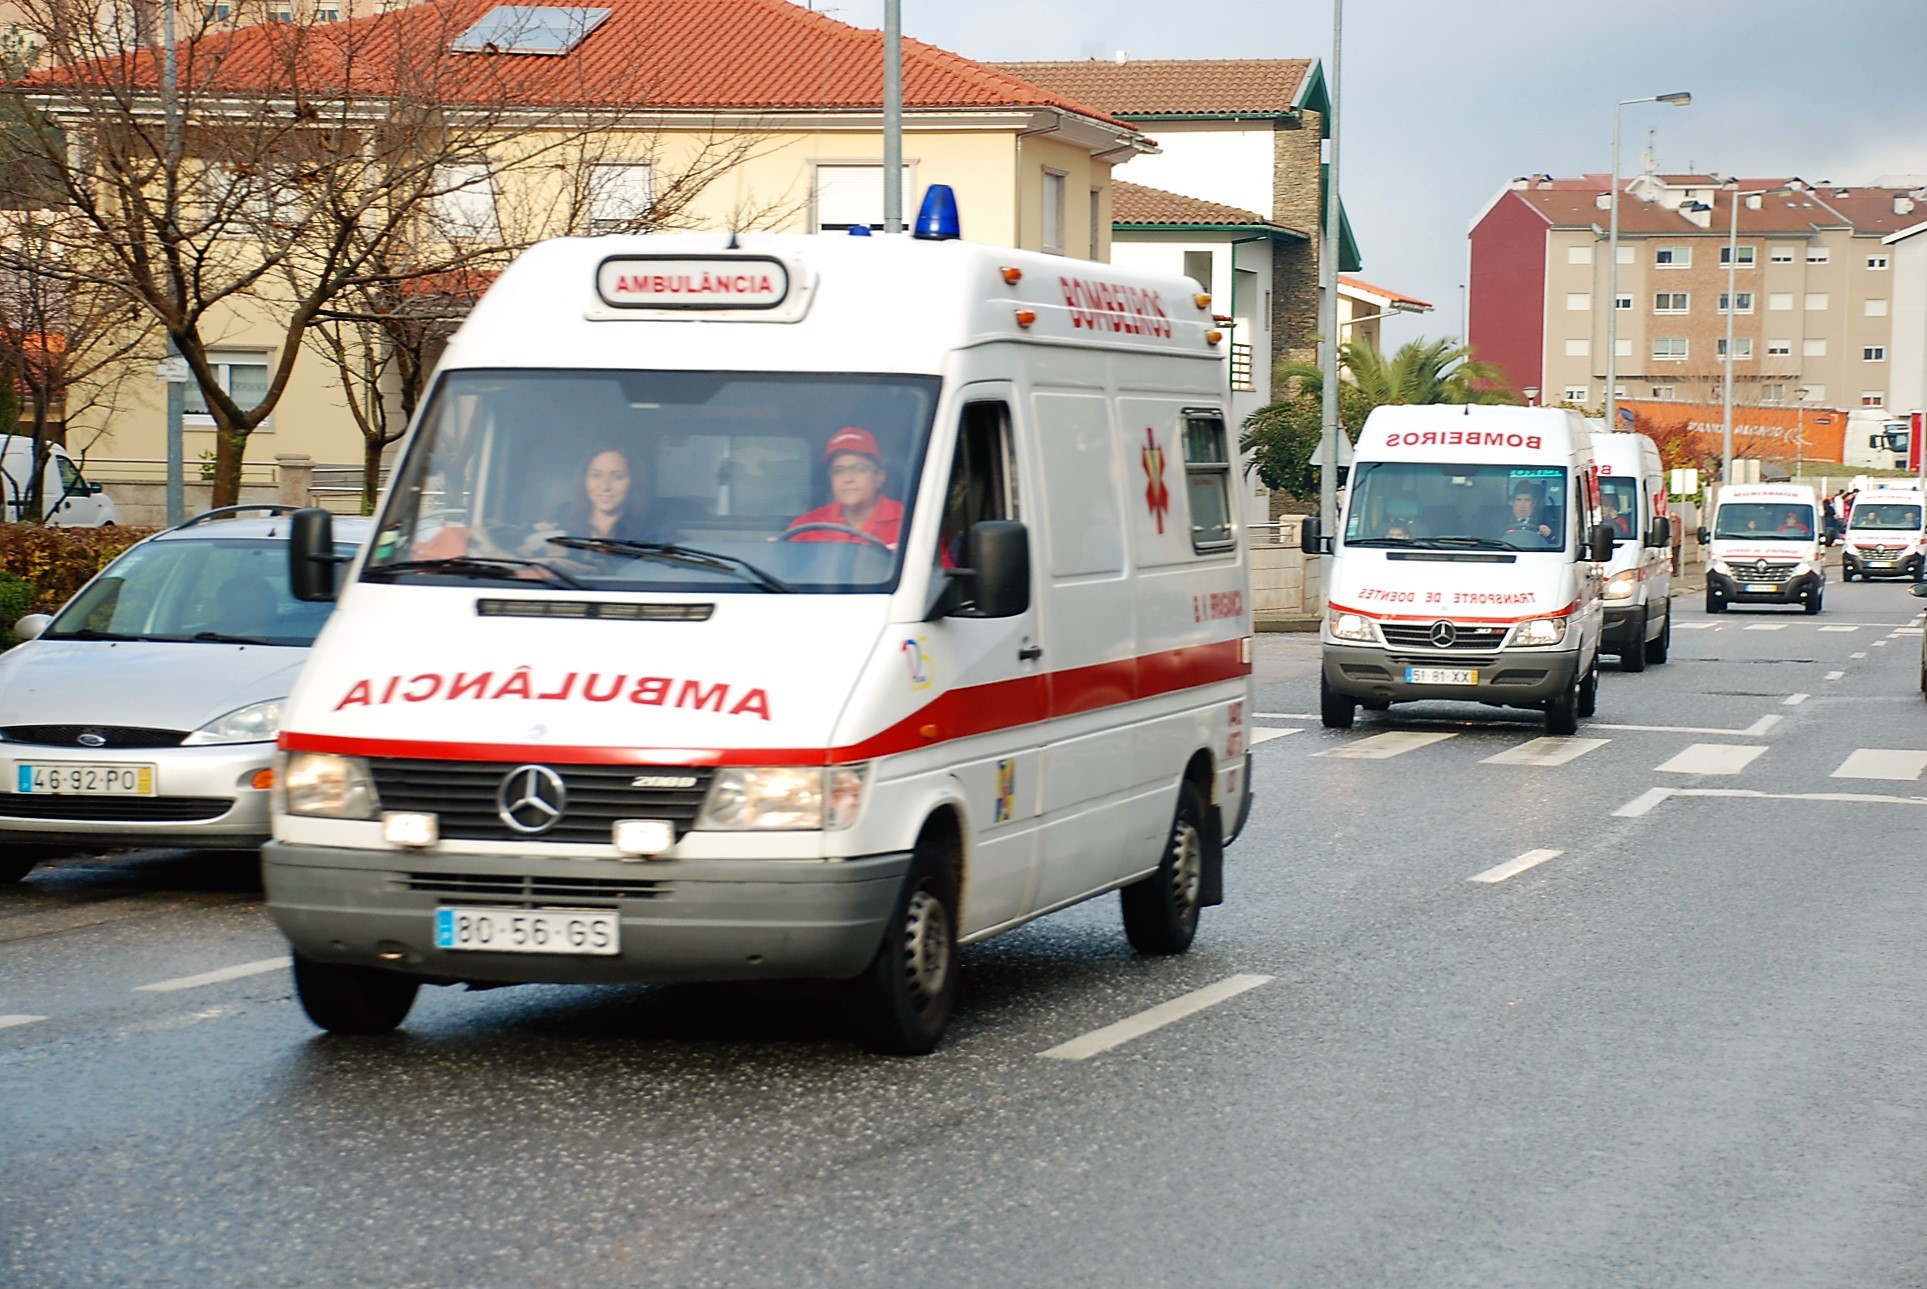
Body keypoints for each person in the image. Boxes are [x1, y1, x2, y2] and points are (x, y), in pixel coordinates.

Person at [524, 445, 660, 552]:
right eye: (596, 475)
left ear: (633, 481)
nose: (605, 486)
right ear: (584, 479)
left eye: (617, 476)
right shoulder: (561, 517)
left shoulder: (649, 530)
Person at [787, 426, 903, 548]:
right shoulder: (807, 526)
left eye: (860, 469)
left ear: (880, 477)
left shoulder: (909, 521)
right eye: (838, 470)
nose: (848, 479)